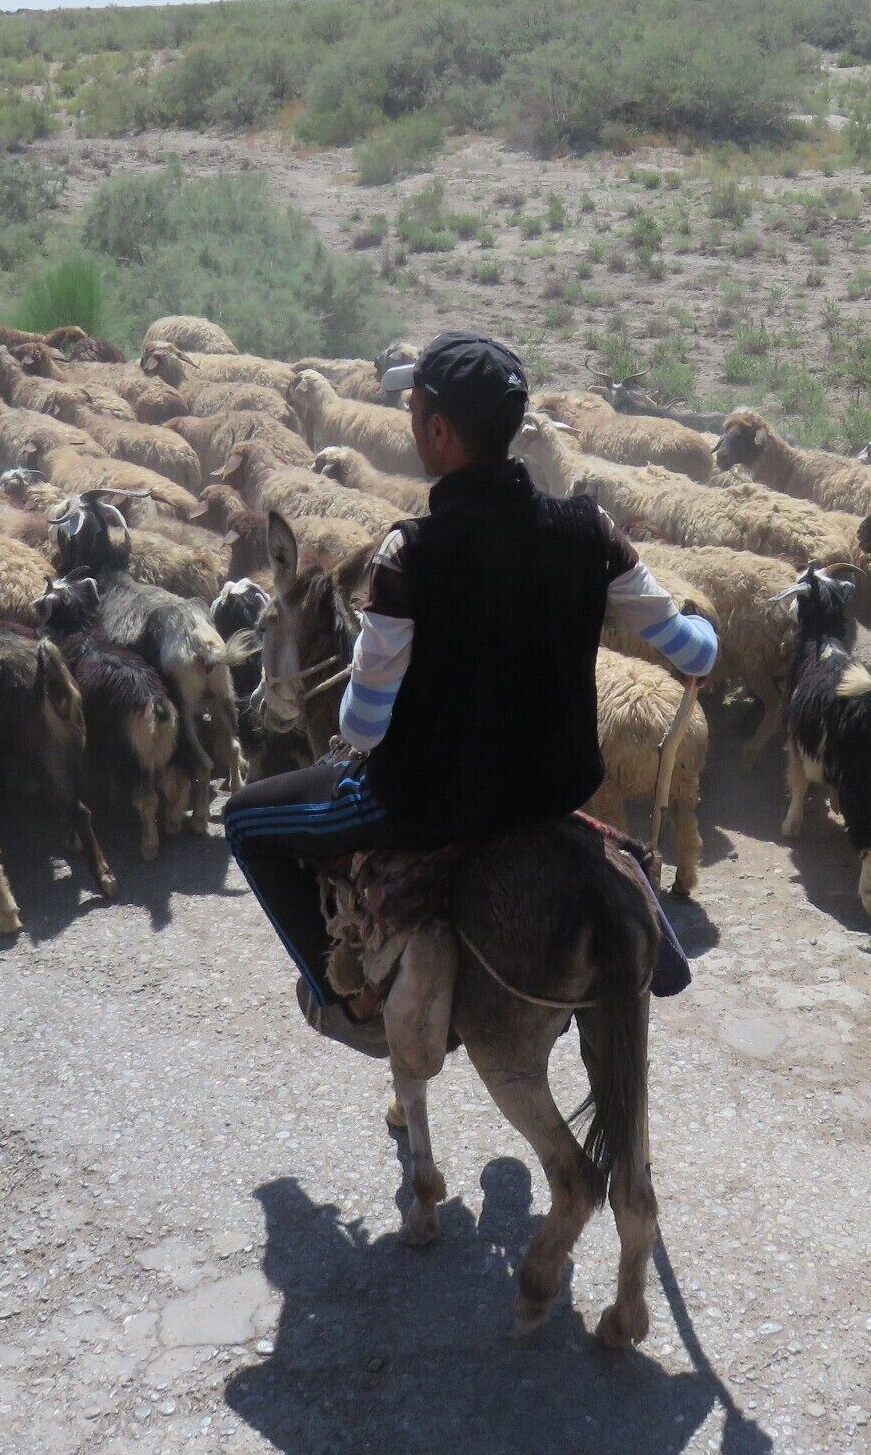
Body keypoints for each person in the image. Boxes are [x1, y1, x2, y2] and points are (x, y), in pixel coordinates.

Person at [224, 331, 717, 1054]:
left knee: (245, 821)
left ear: (438, 429)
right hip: (551, 790)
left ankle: (339, 996)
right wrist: (708, 650)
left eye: (414, 408)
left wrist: (356, 733)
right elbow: (687, 646)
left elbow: (363, 724)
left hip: (430, 803)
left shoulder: (408, 553)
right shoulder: (592, 528)